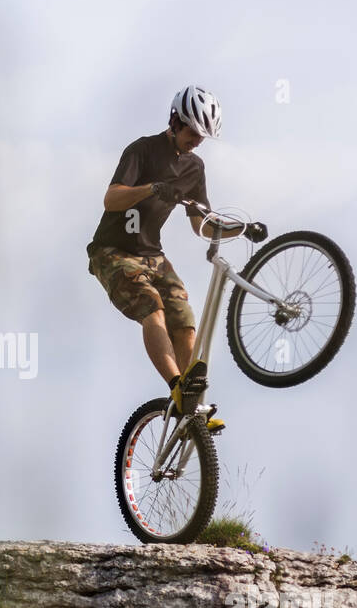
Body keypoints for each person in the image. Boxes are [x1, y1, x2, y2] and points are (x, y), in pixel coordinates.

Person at [87, 85, 266, 425]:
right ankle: (176, 387)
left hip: (153, 255)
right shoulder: (142, 150)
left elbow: (203, 225)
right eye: (193, 132)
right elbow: (111, 199)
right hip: (112, 252)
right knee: (152, 308)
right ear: (175, 120)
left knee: (184, 322)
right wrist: (152, 188)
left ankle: (193, 407)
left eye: (203, 137)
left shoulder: (194, 169)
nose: (197, 141)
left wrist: (242, 228)